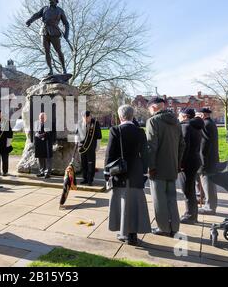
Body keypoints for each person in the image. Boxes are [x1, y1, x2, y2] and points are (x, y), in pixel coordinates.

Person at [105, 105, 151, 246]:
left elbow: (109, 154)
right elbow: (145, 155)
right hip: (136, 172)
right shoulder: (140, 131)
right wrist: (144, 173)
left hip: (120, 172)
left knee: (122, 203)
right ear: (132, 116)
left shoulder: (115, 130)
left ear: (120, 117)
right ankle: (133, 235)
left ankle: (125, 234)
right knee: (135, 204)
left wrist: (107, 173)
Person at [146, 97, 185, 237]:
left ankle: (163, 227)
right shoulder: (176, 121)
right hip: (173, 166)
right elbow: (182, 145)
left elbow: (151, 146)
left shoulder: (153, 121)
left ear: (154, 107)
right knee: (171, 198)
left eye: (149, 108)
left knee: (159, 199)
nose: (149, 111)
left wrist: (150, 167)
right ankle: (174, 226)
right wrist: (178, 163)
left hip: (157, 168)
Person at [26, 0, 70, 76]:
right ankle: (50, 70)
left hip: (54, 31)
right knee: (46, 51)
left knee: (58, 51)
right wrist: (30, 20)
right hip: (44, 31)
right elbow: (37, 15)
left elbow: (66, 23)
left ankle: (64, 68)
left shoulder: (60, 11)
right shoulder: (45, 8)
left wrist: (66, 34)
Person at [178, 108, 204, 224]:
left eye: (179, 115)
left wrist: (180, 164)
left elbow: (184, 147)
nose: (178, 117)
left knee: (187, 190)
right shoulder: (196, 126)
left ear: (184, 116)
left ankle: (190, 215)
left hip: (187, 162)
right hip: (195, 160)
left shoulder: (185, 127)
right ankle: (193, 214)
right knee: (191, 189)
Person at [197, 108, 220, 215]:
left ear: (203, 115)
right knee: (209, 183)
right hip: (211, 159)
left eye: (198, 114)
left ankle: (210, 207)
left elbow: (203, 145)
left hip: (206, 160)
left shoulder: (205, 124)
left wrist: (201, 161)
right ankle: (209, 205)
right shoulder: (210, 123)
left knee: (208, 184)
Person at [77, 111, 102, 186]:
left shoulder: (95, 123)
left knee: (90, 163)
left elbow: (99, 136)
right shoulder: (80, 123)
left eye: (87, 117)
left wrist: (98, 146)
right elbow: (77, 134)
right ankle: (85, 178)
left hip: (91, 147)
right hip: (82, 147)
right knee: (84, 164)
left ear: (89, 116)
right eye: (84, 118)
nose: (85, 119)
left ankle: (90, 179)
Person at [34, 112, 56, 179]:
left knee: (48, 158)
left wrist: (43, 135)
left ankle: (47, 173)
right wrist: (37, 135)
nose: (41, 119)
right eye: (40, 118)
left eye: (43, 118)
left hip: (47, 142)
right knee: (40, 157)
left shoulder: (50, 123)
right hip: (39, 143)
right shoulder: (36, 123)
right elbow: (35, 132)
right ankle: (42, 172)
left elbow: (51, 133)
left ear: (46, 118)